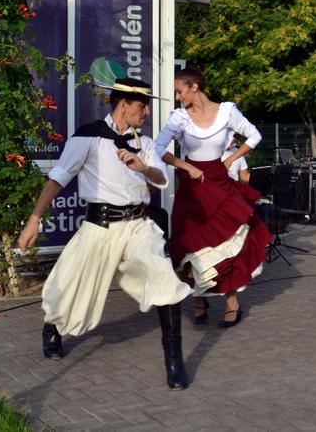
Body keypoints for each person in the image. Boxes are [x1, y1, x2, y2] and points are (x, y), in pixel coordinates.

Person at [16, 78, 193, 389]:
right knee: (67, 289)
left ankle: (174, 361)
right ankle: (53, 327)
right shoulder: (88, 137)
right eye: (143, 105)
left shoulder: (146, 144)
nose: (147, 112)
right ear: (123, 105)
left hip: (139, 227)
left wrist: (142, 167)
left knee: (165, 279)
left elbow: (160, 179)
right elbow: (57, 179)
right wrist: (34, 220)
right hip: (99, 227)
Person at [154, 67, 271, 328]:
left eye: (179, 90)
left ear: (194, 86)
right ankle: (199, 300)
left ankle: (231, 304)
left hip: (219, 183)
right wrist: (186, 167)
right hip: (192, 188)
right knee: (192, 244)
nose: (177, 96)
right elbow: (159, 148)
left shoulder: (227, 112)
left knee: (226, 243)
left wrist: (230, 158)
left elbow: (254, 136)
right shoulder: (179, 118)